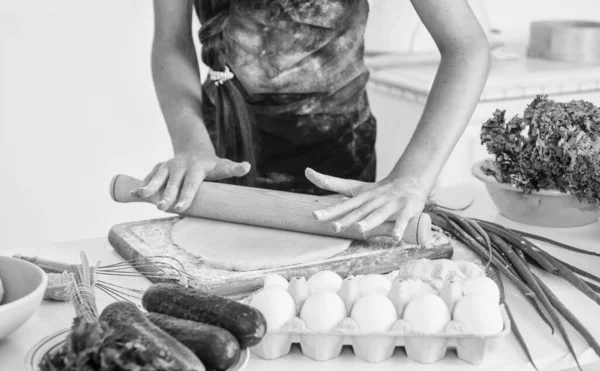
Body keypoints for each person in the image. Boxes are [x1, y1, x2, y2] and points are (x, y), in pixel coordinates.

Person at [134, 0, 490, 241]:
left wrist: (413, 178)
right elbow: (170, 40)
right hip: (218, 158)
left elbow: (466, 48)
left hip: (340, 168)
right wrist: (191, 145)